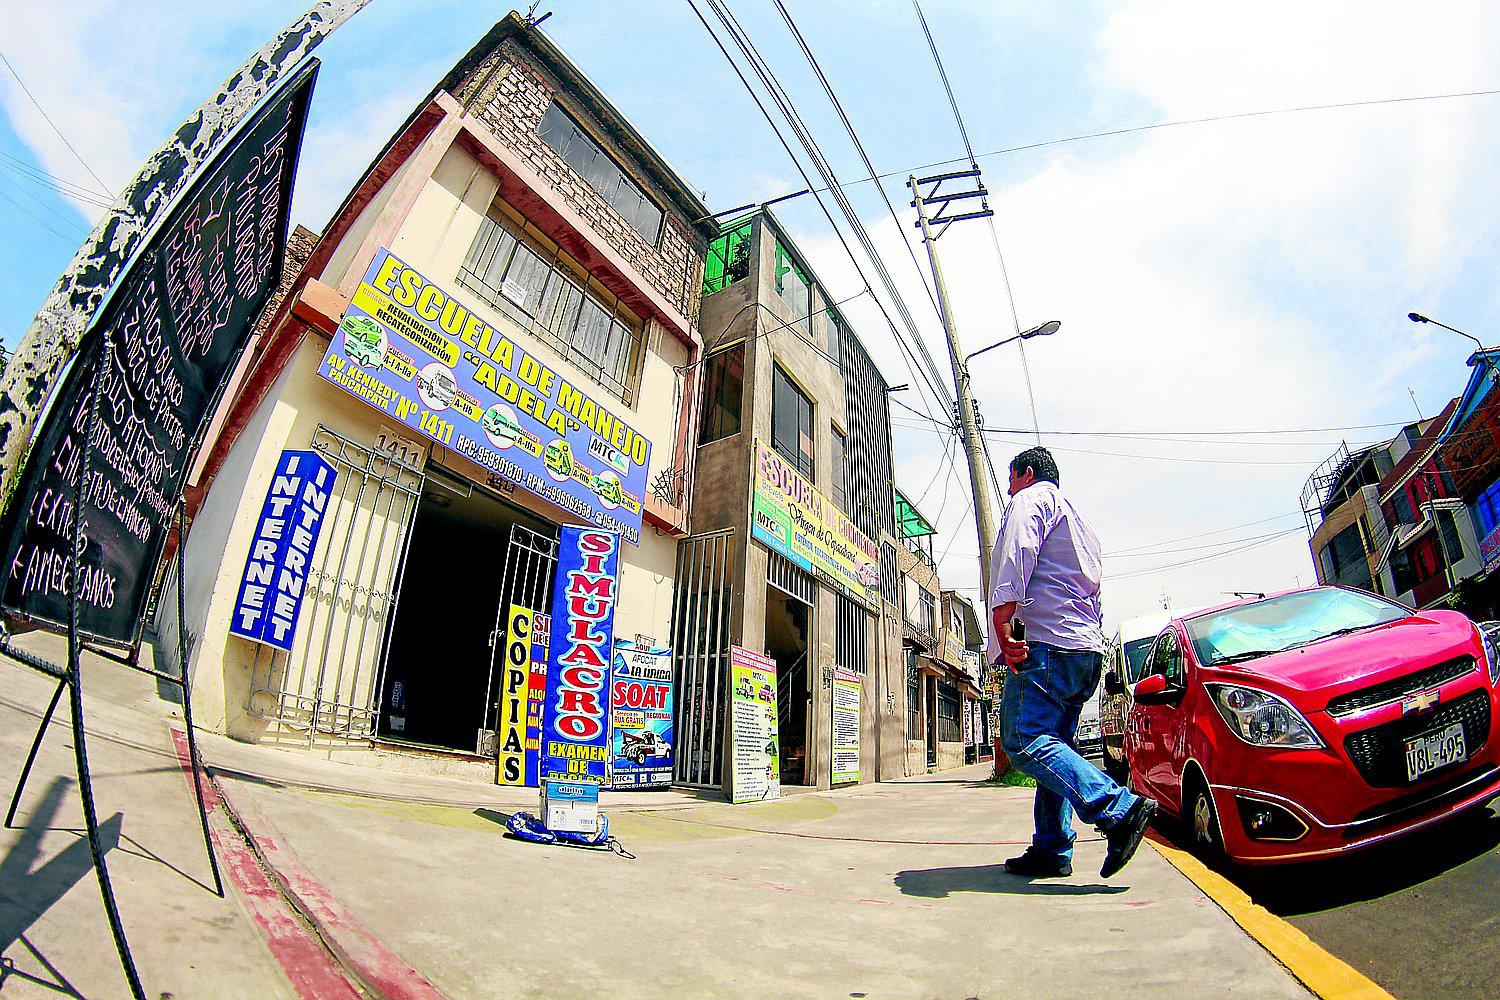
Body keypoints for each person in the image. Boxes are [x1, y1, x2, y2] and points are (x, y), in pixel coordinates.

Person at [988, 446, 1156, 878]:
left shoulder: (1031, 499)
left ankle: (1117, 809)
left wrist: (1003, 616)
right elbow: (1093, 592)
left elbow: (1016, 551)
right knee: (1053, 746)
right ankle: (1052, 848)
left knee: (1024, 741)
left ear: (1026, 474)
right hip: (1086, 649)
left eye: (1010, 481)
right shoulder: (1080, 523)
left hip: (1050, 645)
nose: (1009, 491)